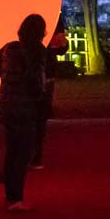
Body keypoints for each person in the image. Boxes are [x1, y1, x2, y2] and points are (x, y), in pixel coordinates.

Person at [0, 13, 51, 212]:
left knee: (12, 152)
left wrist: (5, 72)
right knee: (22, 154)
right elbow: (36, 82)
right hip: (26, 109)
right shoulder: (37, 51)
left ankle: (10, 195)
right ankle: (16, 198)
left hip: (7, 107)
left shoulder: (9, 48)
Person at [35, 26, 68, 168]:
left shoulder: (55, 26)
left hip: (46, 75)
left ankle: (33, 157)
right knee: (36, 121)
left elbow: (61, 49)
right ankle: (34, 156)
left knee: (38, 118)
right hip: (40, 76)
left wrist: (62, 43)